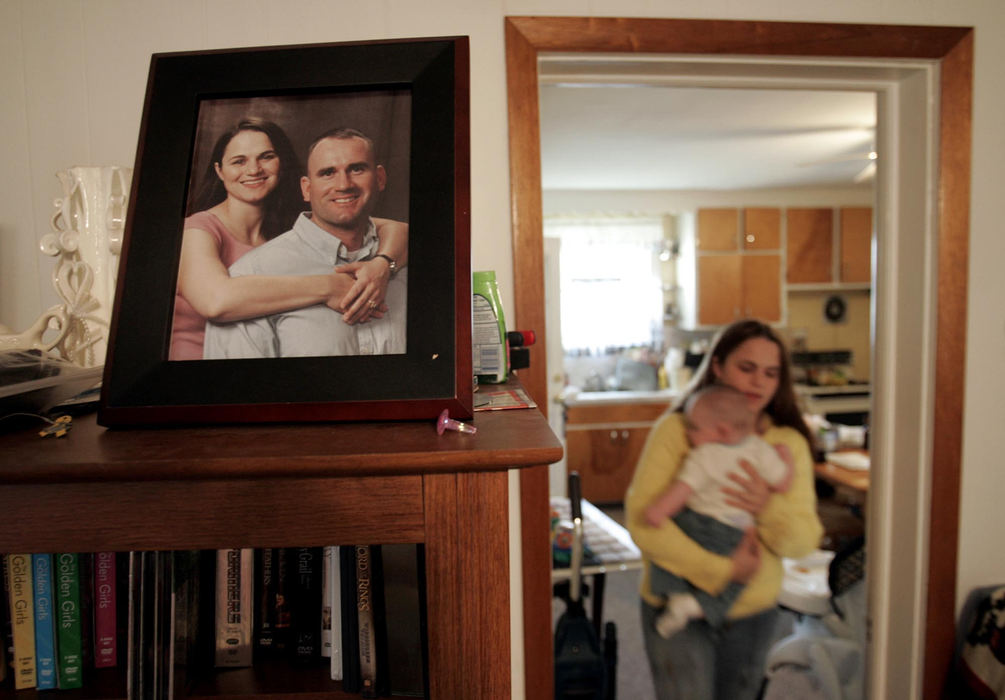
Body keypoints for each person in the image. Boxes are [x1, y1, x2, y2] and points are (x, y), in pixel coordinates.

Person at [626, 319, 823, 700]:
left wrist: (765, 506)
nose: (758, 383)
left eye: (770, 373)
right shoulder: (678, 430)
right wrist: (725, 571)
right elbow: (643, 523)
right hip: (674, 603)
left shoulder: (785, 445)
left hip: (754, 612)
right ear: (717, 366)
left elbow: (801, 542)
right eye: (746, 368)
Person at [169, 117, 408, 361]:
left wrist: (383, 265)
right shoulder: (199, 229)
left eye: (266, 157)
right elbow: (216, 301)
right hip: (192, 370)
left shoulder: (289, 226)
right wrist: (330, 287)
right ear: (219, 170)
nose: (254, 170)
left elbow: (396, 229)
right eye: (239, 161)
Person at [643, 384, 793, 639]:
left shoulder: (704, 455)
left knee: (665, 553)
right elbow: (783, 483)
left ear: (721, 431)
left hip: (696, 524)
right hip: (735, 533)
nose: (689, 434)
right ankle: (698, 607)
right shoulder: (760, 450)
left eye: (694, 428)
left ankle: (675, 593)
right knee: (741, 576)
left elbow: (682, 490)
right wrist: (786, 459)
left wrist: (659, 511)